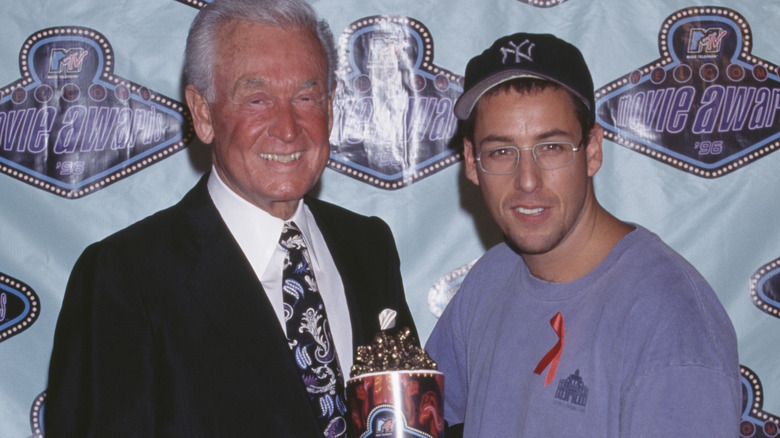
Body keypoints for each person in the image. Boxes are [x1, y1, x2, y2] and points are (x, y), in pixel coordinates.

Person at [45, 0, 416, 436]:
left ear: (331, 106)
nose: (288, 127)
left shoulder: (368, 247)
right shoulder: (125, 279)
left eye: (306, 97)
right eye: (257, 99)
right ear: (203, 113)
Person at [425, 32, 740, 437]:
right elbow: (416, 412)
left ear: (591, 150)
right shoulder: (490, 278)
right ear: (471, 162)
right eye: (501, 151)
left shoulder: (670, 319)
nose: (526, 181)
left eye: (551, 147)